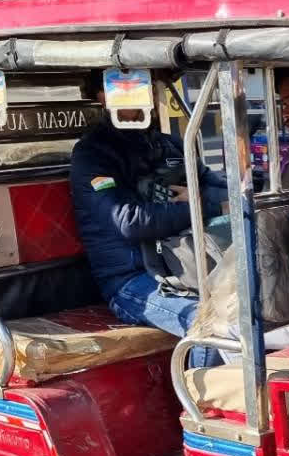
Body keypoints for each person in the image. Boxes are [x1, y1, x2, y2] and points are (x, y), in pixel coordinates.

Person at [69, 71, 226, 367]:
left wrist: (203, 199)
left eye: (148, 86)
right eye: (129, 88)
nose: (146, 96)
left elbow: (222, 190)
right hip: (132, 281)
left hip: (189, 268)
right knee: (208, 328)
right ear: (103, 97)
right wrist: (200, 205)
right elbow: (128, 221)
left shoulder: (172, 145)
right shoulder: (92, 155)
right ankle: (200, 410)